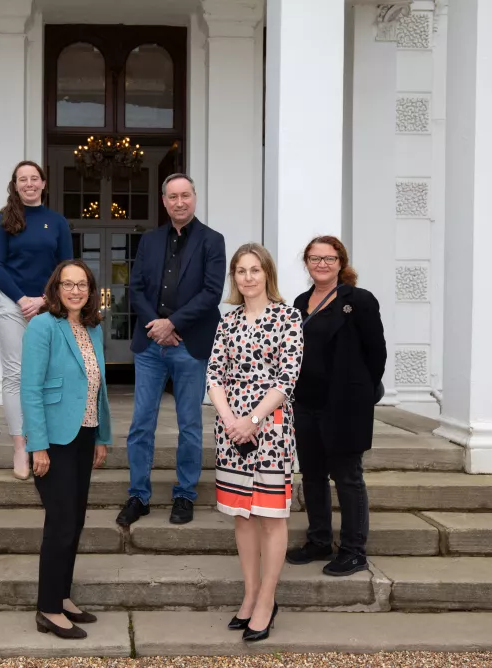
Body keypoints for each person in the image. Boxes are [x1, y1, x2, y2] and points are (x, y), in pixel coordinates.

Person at [116, 173, 226, 527]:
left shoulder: (213, 240)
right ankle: (139, 496)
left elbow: (211, 294)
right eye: (173, 197)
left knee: (190, 424)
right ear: (163, 201)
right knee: (140, 424)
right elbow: (135, 289)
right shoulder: (148, 240)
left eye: (185, 196)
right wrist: (157, 325)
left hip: (189, 345)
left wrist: (173, 324)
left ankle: (184, 495)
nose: (180, 202)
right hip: (150, 344)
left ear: (195, 197)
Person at [207, 243, 303, 643]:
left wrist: (253, 420)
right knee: (242, 516)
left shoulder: (288, 317)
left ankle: (267, 599)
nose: (247, 277)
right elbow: (213, 375)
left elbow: (287, 377)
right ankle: (248, 596)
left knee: (269, 515)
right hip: (232, 432)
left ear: (268, 274)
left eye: (254, 270)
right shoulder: (227, 322)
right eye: (240, 271)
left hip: (270, 427)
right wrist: (231, 420)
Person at [285, 235, 387, 577]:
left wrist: (361, 391)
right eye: (315, 259)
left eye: (329, 258)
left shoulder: (358, 300)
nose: (322, 264)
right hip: (307, 402)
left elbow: (377, 354)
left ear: (341, 262)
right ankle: (318, 540)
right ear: (307, 264)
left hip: (345, 404)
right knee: (312, 475)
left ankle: (354, 550)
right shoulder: (300, 302)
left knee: (347, 476)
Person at [21, 260, 112, 640]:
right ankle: (47, 608)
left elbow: (99, 387)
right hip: (54, 440)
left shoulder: (92, 327)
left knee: (74, 521)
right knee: (59, 524)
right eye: (67, 284)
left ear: (90, 291)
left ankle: (61, 594)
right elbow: (31, 388)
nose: (75, 291)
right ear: (55, 288)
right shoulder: (43, 325)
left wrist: (102, 436)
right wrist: (37, 447)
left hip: (85, 434)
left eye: (82, 285)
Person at [0, 160, 73, 480]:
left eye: (34, 178)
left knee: (48, 374)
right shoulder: (4, 220)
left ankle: (45, 441)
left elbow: (67, 268)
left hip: (48, 306)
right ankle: (21, 446)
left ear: (43, 183)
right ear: (15, 184)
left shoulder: (57, 222)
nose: (29, 184)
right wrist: (22, 299)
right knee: (15, 374)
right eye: (22, 179)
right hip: (11, 304)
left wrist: (45, 300)